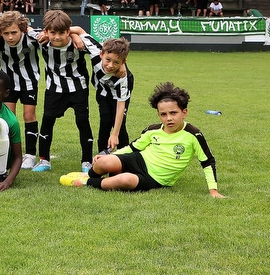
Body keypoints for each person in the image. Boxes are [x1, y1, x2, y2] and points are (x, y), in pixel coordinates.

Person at [69, 82, 223, 197]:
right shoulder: (153, 129)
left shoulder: (193, 134)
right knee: (104, 161)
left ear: (184, 112)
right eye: (163, 114)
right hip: (139, 160)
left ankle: (86, 182)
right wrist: (111, 156)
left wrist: (213, 190)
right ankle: (89, 175)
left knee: (125, 181)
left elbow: (207, 162)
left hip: (155, 178)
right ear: (159, 115)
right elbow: (134, 147)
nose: (168, 118)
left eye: (173, 113)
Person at [33, 10, 95, 174]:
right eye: (53, 32)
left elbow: (99, 45)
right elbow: (23, 29)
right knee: (47, 120)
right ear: (46, 31)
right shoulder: (42, 41)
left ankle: (87, 161)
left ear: (68, 31)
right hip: (54, 89)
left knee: (82, 121)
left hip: (78, 88)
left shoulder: (79, 44)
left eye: (62, 32)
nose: (57, 37)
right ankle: (44, 160)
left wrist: (77, 34)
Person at [0, 11, 42, 169]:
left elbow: (50, 34)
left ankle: (30, 155)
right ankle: (10, 152)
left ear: (22, 30)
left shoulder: (32, 40)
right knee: (9, 119)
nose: (10, 37)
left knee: (29, 116)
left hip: (29, 82)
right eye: (6, 33)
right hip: (8, 85)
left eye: (14, 32)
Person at [88, 37, 134, 153]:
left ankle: (123, 159)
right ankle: (102, 157)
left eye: (117, 62)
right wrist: (74, 37)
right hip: (103, 92)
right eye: (108, 59)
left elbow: (120, 106)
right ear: (101, 54)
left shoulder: (124, 78)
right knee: (105, 121)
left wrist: (115, 134)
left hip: (118, 96)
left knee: (119, 126)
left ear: (123, 62)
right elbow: (78, 30)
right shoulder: (94, 51)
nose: (110, 65)